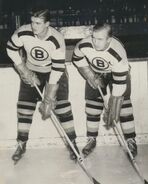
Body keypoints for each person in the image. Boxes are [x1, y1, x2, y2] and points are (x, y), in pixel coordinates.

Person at [6, 9, 79, 162]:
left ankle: (73, 143)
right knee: (24, 107)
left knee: (62, 107)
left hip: (54, 71)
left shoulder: (56, 39)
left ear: (47, 24)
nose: (33, 26)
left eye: (38, 23)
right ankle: (21, 143)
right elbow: (11, 49)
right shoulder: (22, 32)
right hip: (32, 70)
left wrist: (49, 96)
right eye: (32, 21)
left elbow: (58, 68)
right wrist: (23, 70)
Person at [72, 23, 137, 158]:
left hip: (118, 74)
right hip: (95, 71)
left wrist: (113, 106)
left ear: (109, 39)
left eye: (100, 39)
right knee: (92, 106)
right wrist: (89, 74)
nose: (95, 42)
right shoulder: (84, 44)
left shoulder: (118, 53)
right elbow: (76, 58)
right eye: (94, 38)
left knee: (123, 105)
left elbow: (119, 84)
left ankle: (131, 140)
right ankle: (91, 139)